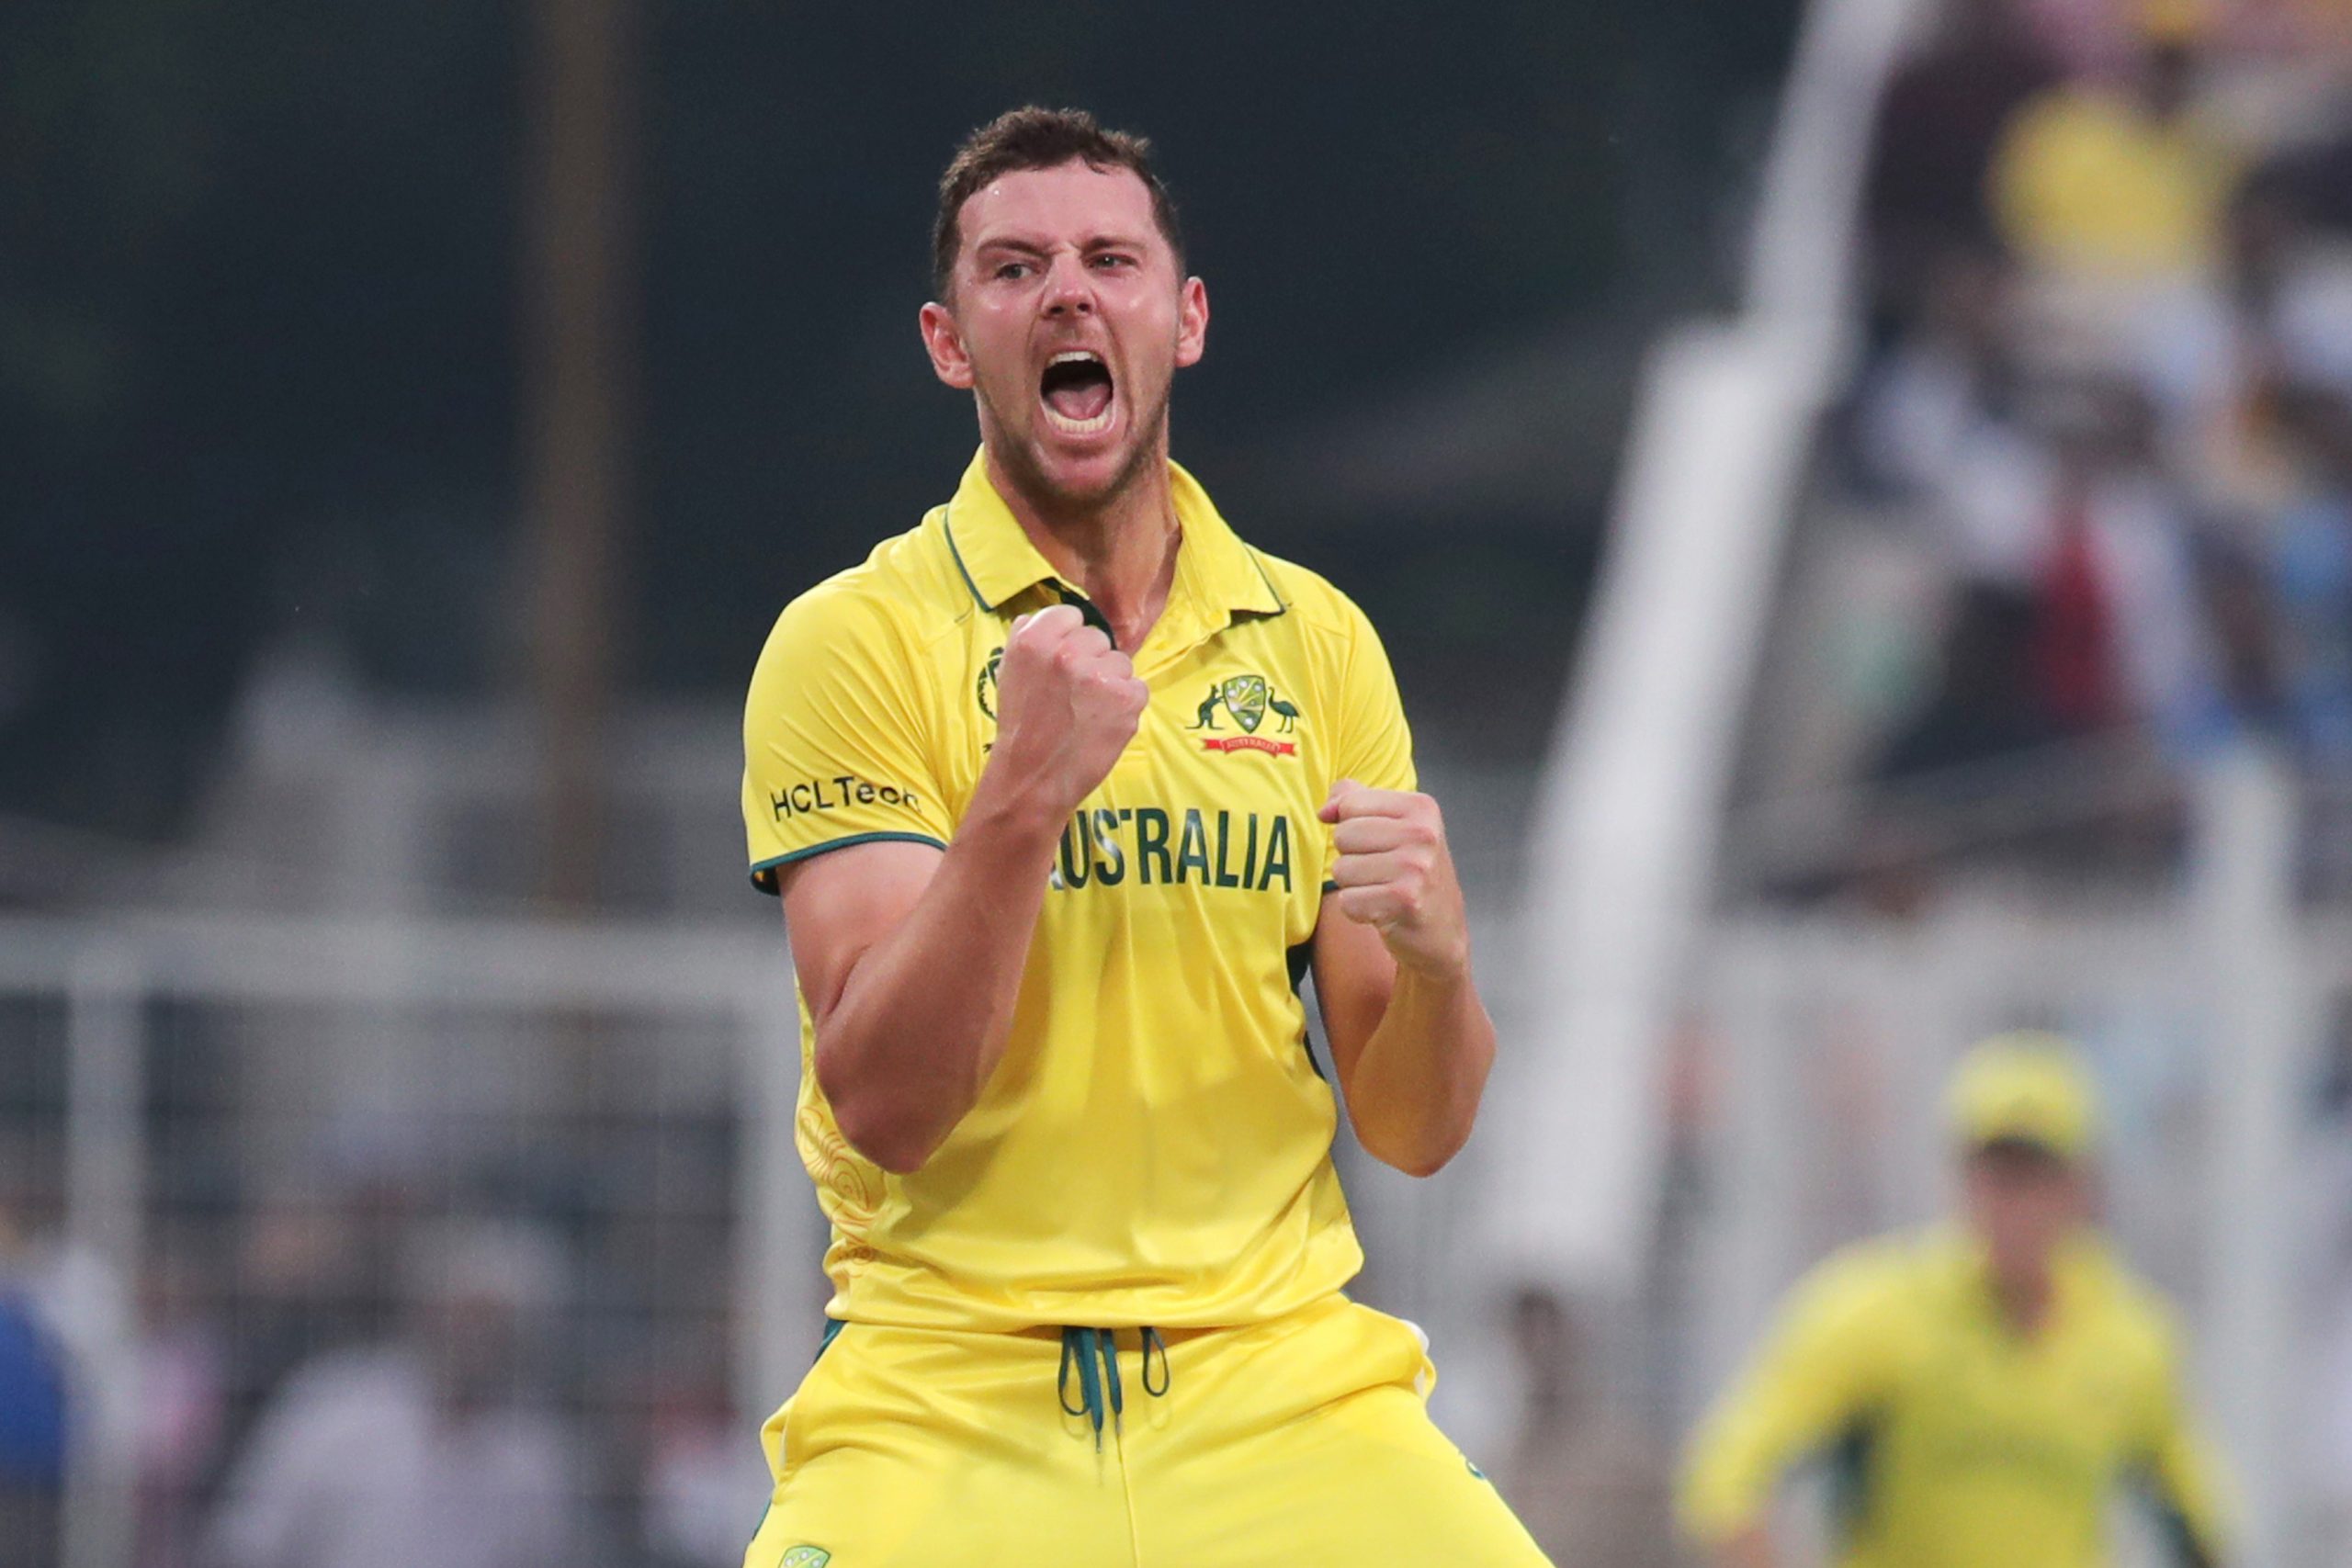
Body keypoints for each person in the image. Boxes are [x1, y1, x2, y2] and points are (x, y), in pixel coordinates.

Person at [736, 107, 1544, 1566]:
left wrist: (1438, 963)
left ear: (1185, 320)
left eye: (1111, 259)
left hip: (1277, 1383)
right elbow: (888, 1103)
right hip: (947, 1393)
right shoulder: (852, 640)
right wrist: (1020, 800)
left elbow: (1416, 1126)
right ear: (947, 337)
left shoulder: (1317, 642)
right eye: (1013, 266)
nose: (1067, 293)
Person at [1678, 1034, 2232, 1568]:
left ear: (2081, 1186)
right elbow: (1726, 1477)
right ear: (1962, 1180)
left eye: (2034, 1175)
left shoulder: (2129, 1339)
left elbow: (2201, 1524)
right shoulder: (1877, 1316)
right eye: (1996, 1174)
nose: (2013, 1203)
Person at [201, 1220, 577, 1568]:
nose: (474, 1337)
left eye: (493, 1321)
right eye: (464, 1315)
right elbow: (246, 1542)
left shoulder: (536, 1453)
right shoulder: (334, 1404)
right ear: (427, 1312)